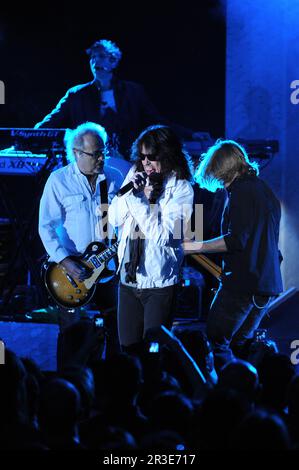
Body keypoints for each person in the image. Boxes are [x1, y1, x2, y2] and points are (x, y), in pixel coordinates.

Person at [183, 139, 283, 371]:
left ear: (221, 168)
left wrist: (192, 247)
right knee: (240, 347)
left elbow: (236, 240)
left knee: (217, 340)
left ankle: (223, 397)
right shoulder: (262, 188)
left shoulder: (241, 191)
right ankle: (245, 394)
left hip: (242, 284)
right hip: (265, 285)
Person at [34, 38, 211, 159]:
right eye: (93, 57)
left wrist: (191, 134)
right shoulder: (76, 94)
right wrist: (26, 136)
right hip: (88, 161)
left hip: (127, 160)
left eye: (101, 56)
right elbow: (51, 122)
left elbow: (157, 121)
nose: (96, 61)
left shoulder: (133, 92)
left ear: (113, 61)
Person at [38, 122, 123, 366]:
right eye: (94, 153)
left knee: (114, 332)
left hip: (106, 270)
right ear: (76, 153)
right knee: (72, 336)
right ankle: (69, 387)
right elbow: (45, 227)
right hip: (71, 272)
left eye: (103, 151)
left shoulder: (114, 179)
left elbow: (124, 223)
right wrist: (65, 261)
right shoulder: (59, 181)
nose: (100, 158)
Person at [108, 124, 194, 353]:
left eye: (151, 157)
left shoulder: (182, 190)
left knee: (153, 356)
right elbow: (114, 219)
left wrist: (138, 201)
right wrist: (129, 194)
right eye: (142, 156)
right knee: (128, 352)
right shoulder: (135, 173)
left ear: (167, 155)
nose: (145, 162)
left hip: (159, 284)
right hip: (128, 278)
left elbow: (165, 237)